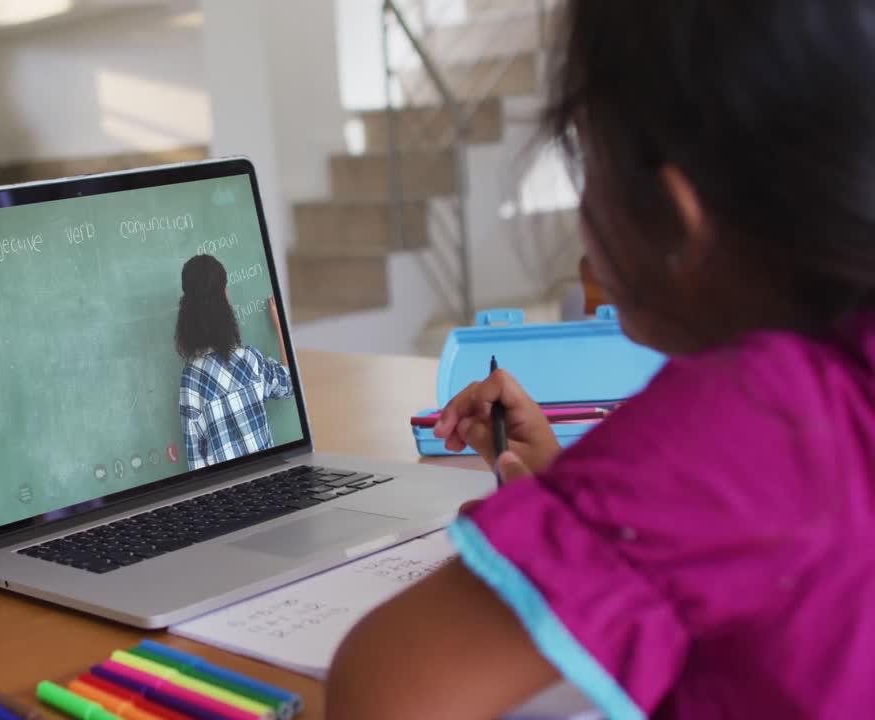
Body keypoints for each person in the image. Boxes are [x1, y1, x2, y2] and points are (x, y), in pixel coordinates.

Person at [327, 1, 875, 717]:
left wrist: (598, 508)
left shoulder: (748, 419)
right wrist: (573, 499)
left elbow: (383, 691)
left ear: (678, 216)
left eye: (585, 159)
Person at [175, 254, 292, 471]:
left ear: (188, 312)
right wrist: (280, 327)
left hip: (225, 495)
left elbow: (196, 463)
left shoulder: (190, 381)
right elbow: (288, 381)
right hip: (270, 484)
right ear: (224, 299)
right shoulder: (249, 361)